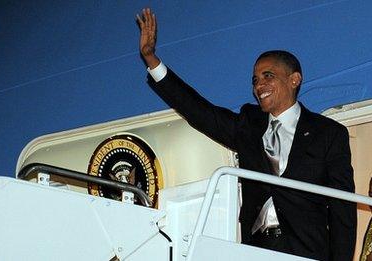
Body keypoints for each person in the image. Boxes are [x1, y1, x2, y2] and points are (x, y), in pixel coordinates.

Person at [137, 8, 356, 260]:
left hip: (307, 250)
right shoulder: (249, 125)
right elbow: (199, 112)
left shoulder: (328, 133)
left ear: (294, 79)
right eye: (254, 80)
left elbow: (342, 207)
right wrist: (153, 61)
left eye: (268, 76)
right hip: (256, 248)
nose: (259, 85)